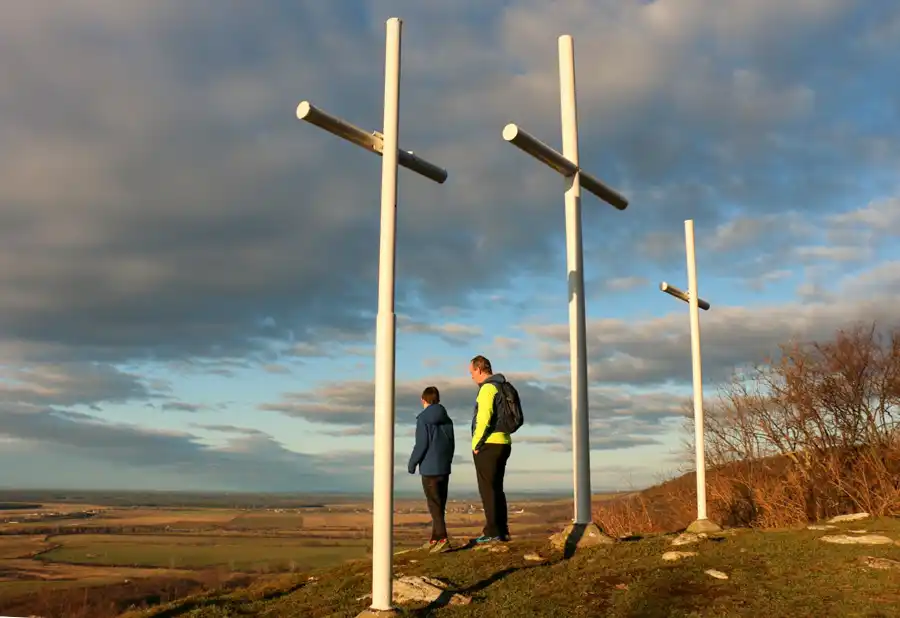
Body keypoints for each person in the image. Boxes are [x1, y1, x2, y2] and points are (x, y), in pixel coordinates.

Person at [468, 355, 512, 544]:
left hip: (489, 445)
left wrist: (476, 444)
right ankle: (502, 530)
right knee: (497, 489)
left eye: (471, 372)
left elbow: (483, 419)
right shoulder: (502, 386)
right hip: (504, 442)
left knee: (488, 490)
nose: (471, 377)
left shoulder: (487, 388)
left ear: (479, 369)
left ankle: (492, 532)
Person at [407, 385, 455, 552]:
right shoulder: (447, 419)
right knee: (439, 504)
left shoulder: (423, 419)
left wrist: (412, 463)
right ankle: (435, 538)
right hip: (444, 468)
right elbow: (451, 444)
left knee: (434, 505)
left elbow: (421, 444)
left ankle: (443, 539)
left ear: (423, 400)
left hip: (429, 469)